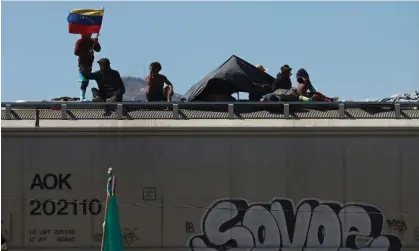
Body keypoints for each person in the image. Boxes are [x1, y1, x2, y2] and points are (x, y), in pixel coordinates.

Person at [74, 33, 101, 101]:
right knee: (84, 79)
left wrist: (96, 43)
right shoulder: (80, 42)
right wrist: (86, 52)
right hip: (82, 64)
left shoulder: (92, 41)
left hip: (89, 64)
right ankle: (82, 97)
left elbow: (98, 49)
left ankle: (83, 96)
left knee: (86, 80)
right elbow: (76, 52)